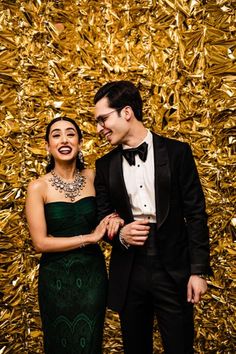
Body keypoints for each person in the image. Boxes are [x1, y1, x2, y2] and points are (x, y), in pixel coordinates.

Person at [93, 81, 212, 354]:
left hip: (173, 269)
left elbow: (195, 214)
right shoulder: (104, 166)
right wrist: (120, 234)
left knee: (180, 347)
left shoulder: (177, 152)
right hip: (129, 269)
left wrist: (198, 271)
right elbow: (103, 215)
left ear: (126, 112)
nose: (99, 128)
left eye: (103, 119)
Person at [25, 116, 116, 354]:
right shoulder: (38, 187)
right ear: (47, 146)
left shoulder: (95, 177)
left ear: (80, 142)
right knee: (60, 344)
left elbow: (114, 211)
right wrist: (89, 238)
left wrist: (115, 220)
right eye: (56, 135)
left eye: (70, 134)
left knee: (91, 343)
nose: (64, 139)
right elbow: (40, 242)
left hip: (92, 279)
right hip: (55, 281)